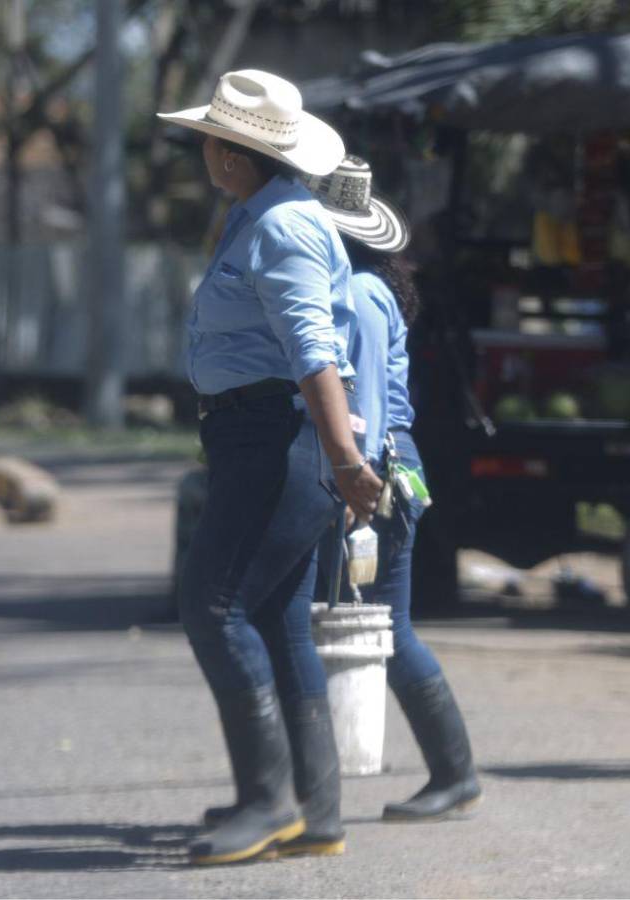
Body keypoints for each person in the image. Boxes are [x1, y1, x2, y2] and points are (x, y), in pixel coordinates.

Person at [157, 69, 382, 865]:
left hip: (274, 436)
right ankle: (313, 808)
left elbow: (312, 354)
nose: (203, 153)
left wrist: (346, 461)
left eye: (207, 142)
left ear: (229, 152)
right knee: (278, 619)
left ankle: (269, 800)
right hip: (258, 434)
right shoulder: (258, 216)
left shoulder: (280, 227)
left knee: (212, 607)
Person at [304, 156, 483, 820]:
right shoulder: (376, 289)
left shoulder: (347, 297)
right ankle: (452, 770)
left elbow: (362, 409)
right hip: (394, 466)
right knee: (390, 627)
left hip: (368, 475)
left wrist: (350, 494)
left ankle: (447, 771)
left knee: (358, 629)